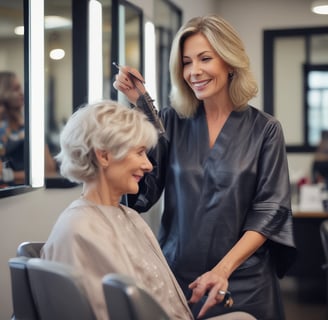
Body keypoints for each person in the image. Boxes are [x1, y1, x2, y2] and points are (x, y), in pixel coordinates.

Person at [113, 14, 297, 320]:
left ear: (229, 62)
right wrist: (144, 109)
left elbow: (270, 210)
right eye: (186, 62)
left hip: (244, 281)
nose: (194, 71)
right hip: (177, 278)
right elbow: (142, 193)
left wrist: (222, 270)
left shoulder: (265, 129)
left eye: (205, 58)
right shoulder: (170, 122)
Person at [41, 100, 255, 320]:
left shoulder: (130, 216)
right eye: (140, 153)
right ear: (103, 156)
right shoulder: (79, 228)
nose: (149, 165)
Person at [0, 71, 57, 185]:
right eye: (16, 89)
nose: (21, 93)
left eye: (20, 88)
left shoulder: (28, 128)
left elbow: (49, 170)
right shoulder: (2, 130)